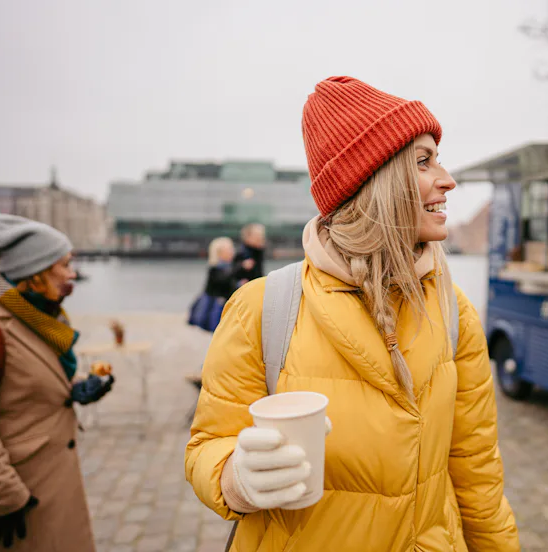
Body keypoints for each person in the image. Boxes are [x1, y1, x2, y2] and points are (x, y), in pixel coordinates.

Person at [185, 76, 519, 551]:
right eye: (423, 161)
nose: (448, 180)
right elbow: (206, 446)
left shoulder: (452, 310)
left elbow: (478, 473)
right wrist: (235, 478)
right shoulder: (263, 308)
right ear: (373, 183)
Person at [0, 214, 114, 551]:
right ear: (35, 272)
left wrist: (78, 387)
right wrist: (5, 497)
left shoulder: (38, 319)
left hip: (51, 482)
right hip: (23, 495)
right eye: (65, 264)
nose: (72, 274)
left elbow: (27, 386)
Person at [188, 237, 236, 333]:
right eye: (229, 249)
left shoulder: (230, 267)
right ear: (219, 253)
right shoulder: (216, 269)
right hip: (217, 304)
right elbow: (221, 284)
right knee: (218, 328)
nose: (232, 252)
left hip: (222, 302)